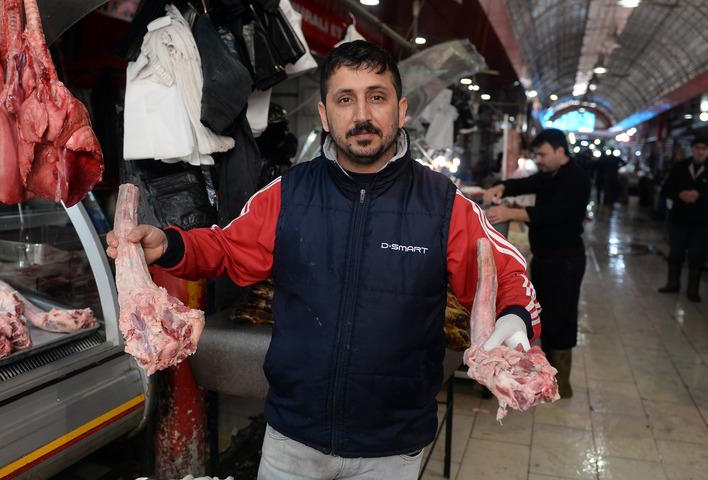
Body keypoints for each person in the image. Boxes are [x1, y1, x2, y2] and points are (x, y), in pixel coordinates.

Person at [108, 41, 540, 480]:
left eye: (377, 97)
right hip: (293, 438)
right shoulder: (289, 193)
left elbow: (503, 268)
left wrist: (514, 317)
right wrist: (171, 245)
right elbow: (227, 247)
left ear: (401, 109)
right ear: (324, 114)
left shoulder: (444, 204)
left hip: (391, 446)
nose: (362, 116)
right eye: (345, 99)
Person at [483, 129, 590, 399]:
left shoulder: (576, 179)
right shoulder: (550, 175)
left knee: (561, 319)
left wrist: (509, 211)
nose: (538, 160)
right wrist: (503, 186)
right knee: (542, 315)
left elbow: (553, 214)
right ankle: (542, 376)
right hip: (545, 258)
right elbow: (529, 183)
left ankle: (561, 383)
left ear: (560, 152)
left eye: (542, 155)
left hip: (566, 261)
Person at [657, 136, 708, 302]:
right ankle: (673, 282)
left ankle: (692, 290)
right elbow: (666, 189)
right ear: (692, 149)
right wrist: (680, 194)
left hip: (701, 222)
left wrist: (699, 195)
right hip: (679, 219)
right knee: (676, 252)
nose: (700, 151)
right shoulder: (680, 167)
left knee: (697, 255)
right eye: (697, 147)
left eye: (704, 148)